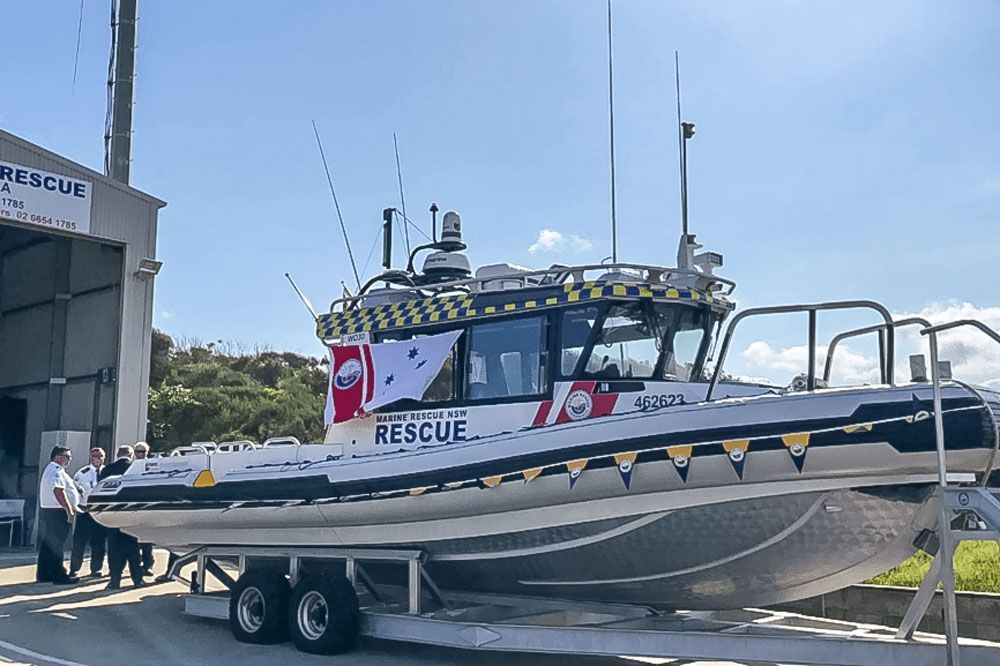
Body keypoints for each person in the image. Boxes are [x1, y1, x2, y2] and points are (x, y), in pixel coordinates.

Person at [99, 445, 144, 590]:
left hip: (112, 514)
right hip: (131, 514)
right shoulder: (136, 468)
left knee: (114, 549)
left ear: (118, 454)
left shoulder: (106, 470)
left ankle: (115, 580)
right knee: (133, 549)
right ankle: (137, 579)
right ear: (131, 455)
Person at [36, 446, 79, 585]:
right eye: (67, 456)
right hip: (57, 512)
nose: (69, 460)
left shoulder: (56, 470)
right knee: (57, 544)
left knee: (49, 544)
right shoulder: (55, 470)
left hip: (52, 511)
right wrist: (68, 508)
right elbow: (58, 491)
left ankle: (45, 573)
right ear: (58, 456)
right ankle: (58, 574)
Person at [69, 448, 107, 578]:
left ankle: (96, 569)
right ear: (90, 457)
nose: (98, 458)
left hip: (100, 512)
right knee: (79, 542)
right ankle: (74, 569)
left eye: (101, 456)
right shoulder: (82, 473)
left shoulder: (107, 472)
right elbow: (74, 492)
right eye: (95, 456)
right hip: (85, 512)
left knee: (98, 542)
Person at [133, 442, 155, 576]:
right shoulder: (131, 466)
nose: (140, 454)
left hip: (146, 506)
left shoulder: (152, 466)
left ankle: (147, 565)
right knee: (133, 540)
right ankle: (135, 565)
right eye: (138, 451)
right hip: (133, 506)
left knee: (147, 539)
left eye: (143, 451)